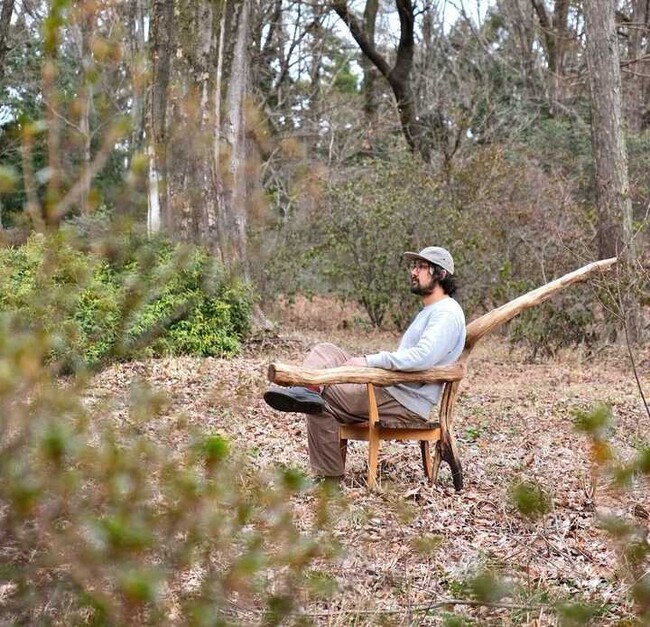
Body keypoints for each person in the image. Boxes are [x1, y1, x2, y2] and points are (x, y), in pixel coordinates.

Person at [263, 246, 466, 480]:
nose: (413, 271)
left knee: (321, 400)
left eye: (421, 267)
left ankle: (328, 478)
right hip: (393, 391)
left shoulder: (446, 313)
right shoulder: (433, 311)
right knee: (326, 352)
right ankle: (306, 389)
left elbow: (422, 358)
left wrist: (370, 361)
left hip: (403, 400)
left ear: (441, 274)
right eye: (414, 266)